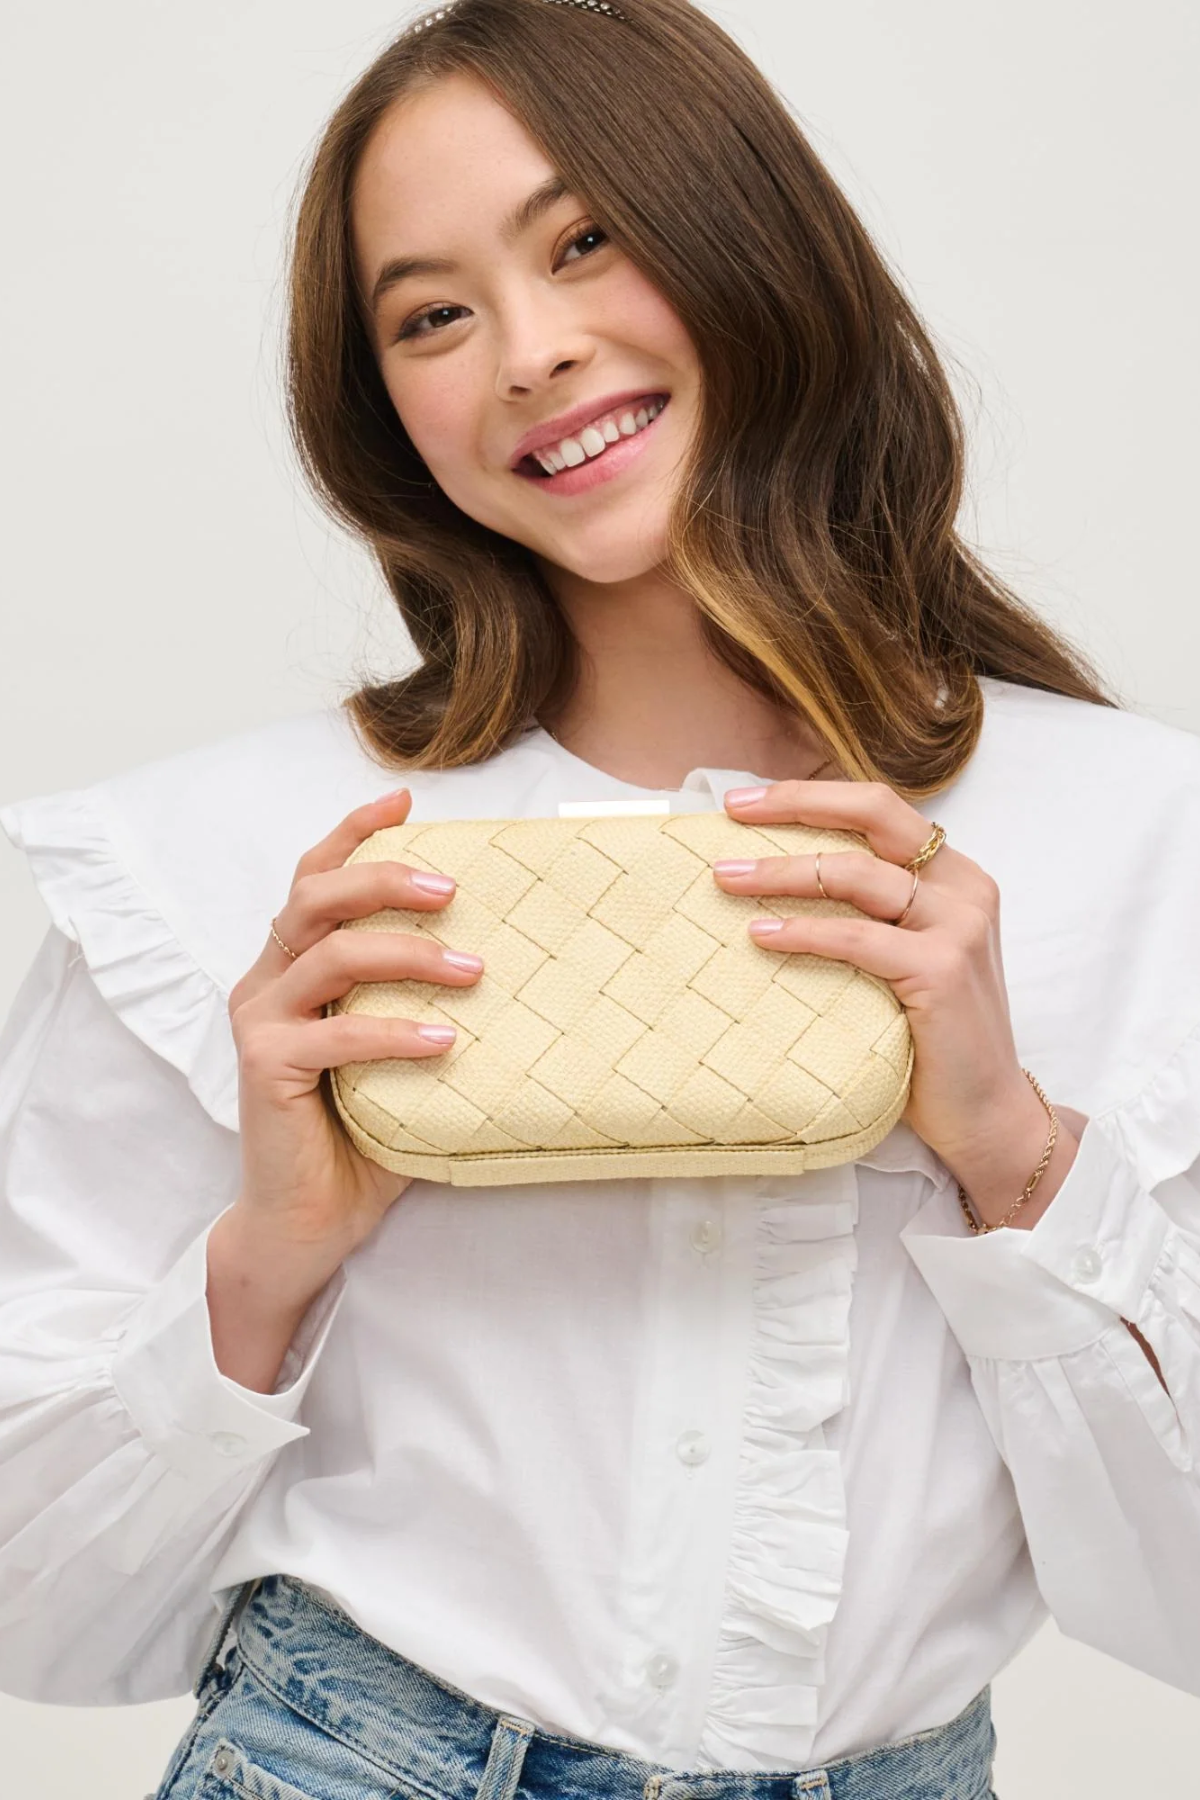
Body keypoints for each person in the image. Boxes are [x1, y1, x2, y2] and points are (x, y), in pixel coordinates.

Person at [1, 1, 1198, 1796]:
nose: (531, 352)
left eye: (586, 242)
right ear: (384, 407)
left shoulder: (1133, 836)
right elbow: (35, 1610)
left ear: (750, 238)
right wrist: (274, 1255)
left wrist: (1018, 1157)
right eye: (432, 314)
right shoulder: (240, 869)